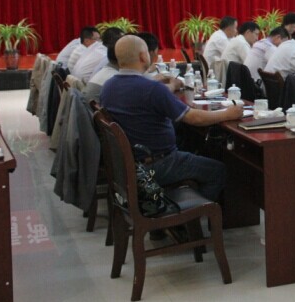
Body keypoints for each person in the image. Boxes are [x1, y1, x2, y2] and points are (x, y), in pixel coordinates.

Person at [100, 35, 243, 202]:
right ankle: (197, 213)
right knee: (217, 170)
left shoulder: (108, 87)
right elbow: (194, 118)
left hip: (129, 164)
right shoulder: (152, 89)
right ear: (143, 56)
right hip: (159, 164)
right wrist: (227, 114)